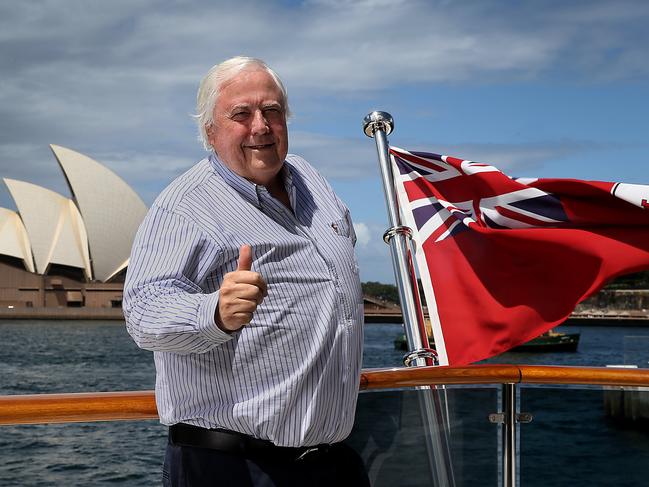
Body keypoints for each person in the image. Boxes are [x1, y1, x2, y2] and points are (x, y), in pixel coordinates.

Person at [123, 56, 368, 487]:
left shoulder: (311, 180)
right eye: (241, 114)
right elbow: (143, 312)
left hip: (329, 464)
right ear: (210, 131)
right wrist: (214, 313)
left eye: (272, 111)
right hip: (233, 467)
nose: (261, 126)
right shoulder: (185, 206)